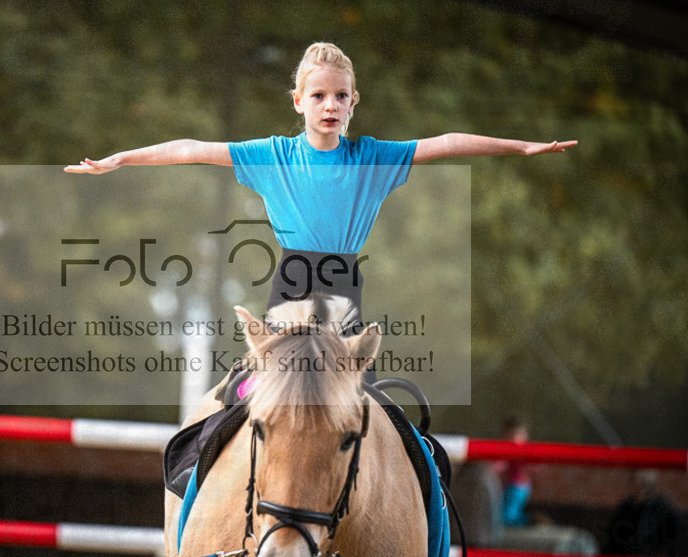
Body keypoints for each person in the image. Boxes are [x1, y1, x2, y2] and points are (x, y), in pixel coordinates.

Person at [65, 41, 577, 341]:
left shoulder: (372, 157)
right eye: (318, 95)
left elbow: (447, 143)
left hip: (344, 279)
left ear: (354, 102)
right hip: (290, 278)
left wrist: (522, 147)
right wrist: (120, 160)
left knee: (360, 398)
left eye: (339, 96)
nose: (329, 105)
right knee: (256, 394)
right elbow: (190, 148)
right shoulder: (273, 156)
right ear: (298, 101)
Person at [493, 415, 534, 527]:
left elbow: (501, 465)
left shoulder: (519, 450)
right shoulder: (517, 450)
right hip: (515, 486)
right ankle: (530, 521)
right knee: (507, 512)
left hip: (517, 486)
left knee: (508, 515)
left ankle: (532, 521)